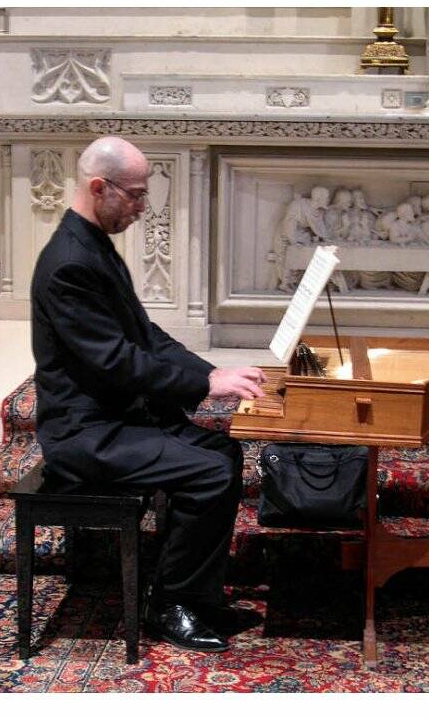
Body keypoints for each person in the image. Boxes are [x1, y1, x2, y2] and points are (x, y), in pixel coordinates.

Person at [31, 136, 266, 654]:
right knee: (209, 471)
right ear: (99, 187)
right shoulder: (70, 262)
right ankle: (169, 604)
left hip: (113, 418)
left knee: (223, 453)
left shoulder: (92, 246)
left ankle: (197, 596)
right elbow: (115, 361)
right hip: (84, 432)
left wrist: (212, 373)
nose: (142, 207)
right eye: (135, 194)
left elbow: (146, 335)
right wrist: (203, 385)